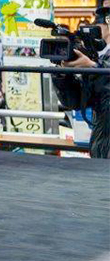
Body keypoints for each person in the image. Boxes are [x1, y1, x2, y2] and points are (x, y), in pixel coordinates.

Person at [52, 8, 109, 158]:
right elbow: (74, 102)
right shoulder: (102, 57)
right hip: (101, 147)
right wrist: (64, 74)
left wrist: (93, 68)